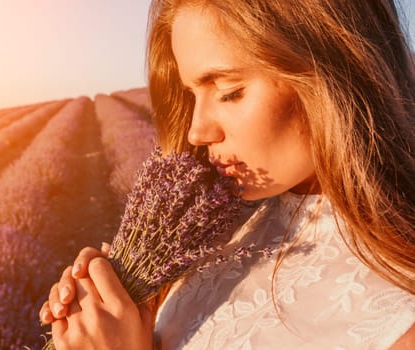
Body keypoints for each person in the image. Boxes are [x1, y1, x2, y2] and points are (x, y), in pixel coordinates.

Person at [39, 0, 415, 348]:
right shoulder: (215, 234)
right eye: (191, 95)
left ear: (336, 71)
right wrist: (131, 306)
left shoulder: (397, 316)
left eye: (229, 92)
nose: (196, 133)